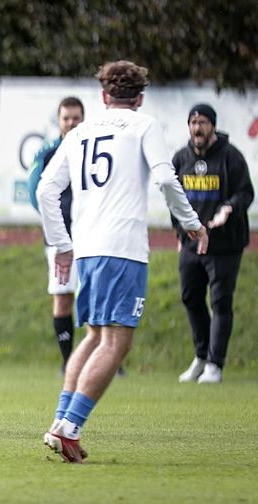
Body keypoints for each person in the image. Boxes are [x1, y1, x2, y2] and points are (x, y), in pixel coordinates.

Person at [36, 60, 208, 463]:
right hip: (123, 247)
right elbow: (166, 179)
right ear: (140, 97)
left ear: (103, 97)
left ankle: (60, 423)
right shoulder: (145, 125)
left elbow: (47, 190)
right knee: (117, 341)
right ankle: (71, 428)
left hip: (88, 247)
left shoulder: (80, 131)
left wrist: (63, 245)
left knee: (95, 336)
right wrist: (193, 225)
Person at [173, 104, 254, 384]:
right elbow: (174, 199)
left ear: (213, 126)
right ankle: (202, 356)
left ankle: (215, 365)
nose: (198, 128)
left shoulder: (231, 157)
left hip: (224, 245)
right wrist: (178, 234)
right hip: (191, 244)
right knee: (190, 297)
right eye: (193, 122)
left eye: (203, 122)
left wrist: (229, 209)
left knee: (220, 301)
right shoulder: (181, 158)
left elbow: (246, 192)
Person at [28, 97, 85, 375]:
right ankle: (67, 362)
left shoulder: (91, 149)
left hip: (91, 235)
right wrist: (54, 225)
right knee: (63, 296)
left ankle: (108, 360)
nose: (72, 123)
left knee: (96, 296)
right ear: (59, 121)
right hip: (59, 238)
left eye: (76, 117)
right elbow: (34, 193)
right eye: (67, 118)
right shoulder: (49, 153)